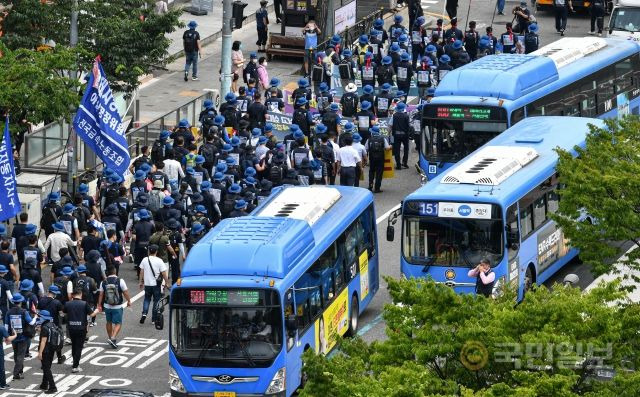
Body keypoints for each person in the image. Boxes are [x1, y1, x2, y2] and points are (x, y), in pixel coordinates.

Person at [64, 289, 98, 372]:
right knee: (79, 347)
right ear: (81, 294)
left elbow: (63, 313)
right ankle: (75, 366)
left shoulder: (68, 304)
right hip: (81, 328)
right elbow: (91, 314)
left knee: (74, 346)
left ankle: (74, 363)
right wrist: (96, 311)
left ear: (73, 295)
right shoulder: (84, 303)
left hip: (71, 328)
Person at [98, 267, 132, 349]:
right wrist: (129, 301)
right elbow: (125, 292)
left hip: (107, 305)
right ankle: (113, 338)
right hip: (117, 306)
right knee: (118, 323)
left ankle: (110, 337)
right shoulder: (120, 280)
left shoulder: (103, 282)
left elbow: (101, 294)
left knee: (108, 322)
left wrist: (99, 304)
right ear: (115, 271)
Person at [6, 293, 36, 380]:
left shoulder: (9, 312)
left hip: (13, 336)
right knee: (20, 356)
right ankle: (16, 373)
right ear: (20, 302)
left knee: (16, 355)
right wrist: (35, 317)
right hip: (23, 337)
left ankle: (20, 372)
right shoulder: (24, 312)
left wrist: (7, 336)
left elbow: (6, 326)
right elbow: (31, 323)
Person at [139, 244, 170, 325]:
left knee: (147, 299)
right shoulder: (159, 261)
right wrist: (166, 282)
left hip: (147, 284)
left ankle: (144, 314)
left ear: (149, 251)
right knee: (156, 301)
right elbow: (163, 273)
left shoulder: (145, 259)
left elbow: (141, 272)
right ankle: (154, 319)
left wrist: (141, 282)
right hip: (156, 284)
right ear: (156, 251)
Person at [36, 310, 59, 393]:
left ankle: (53, 387)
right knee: (47, 367)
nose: (38, 318)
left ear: (43, 318)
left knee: (46, 369)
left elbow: (43, 341)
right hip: (52, 349)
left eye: (39, 316)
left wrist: (40, 352)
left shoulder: (44, 327)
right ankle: (44, 384)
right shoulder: (52, 324)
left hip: (45, 350)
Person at [365, 126, 390, 193]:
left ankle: (370, 186)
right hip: (380, 159)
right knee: (379, 173)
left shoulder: (369, 139)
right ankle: (377, 188)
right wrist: (390, 147)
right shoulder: (383, 139)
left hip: (372, 159)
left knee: (371, 172)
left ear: (372, 132)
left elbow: (366, 149)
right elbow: (387, 148)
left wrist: (365, 159)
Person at [391, 102, 410, 170]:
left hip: (396, 135)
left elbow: (391, 125)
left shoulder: (394, 115)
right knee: (406, 149)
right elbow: (408, 126)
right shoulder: (406, 116)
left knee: (397, 150)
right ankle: (404, 163)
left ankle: (398, 165)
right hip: (405, 135)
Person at [0, 314, 16, 389]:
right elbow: (8, 339)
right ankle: (2, 384)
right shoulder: (1, 327)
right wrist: (15, 335)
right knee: (1, 367)